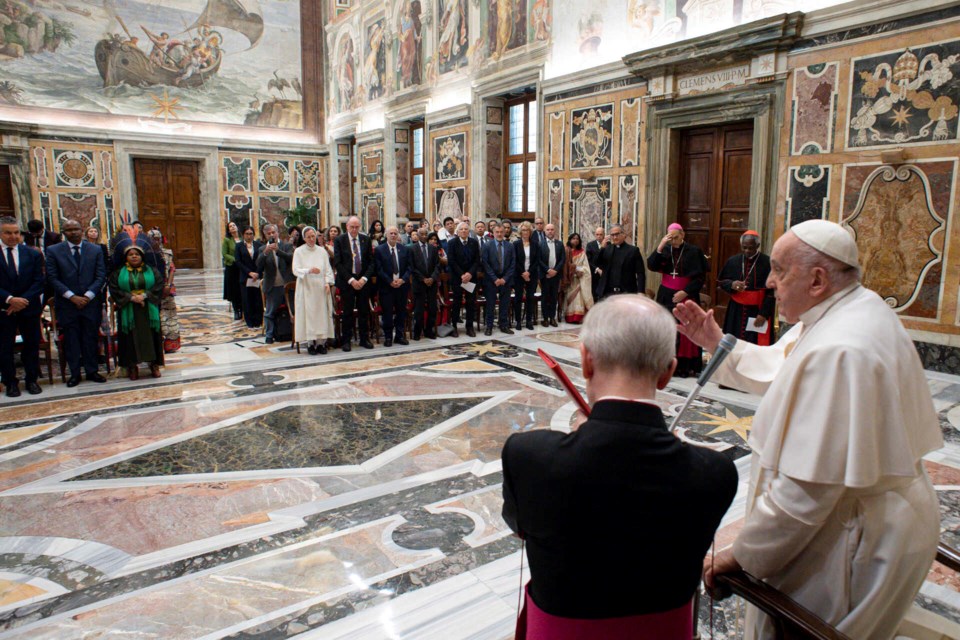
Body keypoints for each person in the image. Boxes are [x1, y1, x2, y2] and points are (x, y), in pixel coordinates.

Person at [675, 220, 943, 640]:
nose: (769, 280)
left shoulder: (841, 346)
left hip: (851, 541)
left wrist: (742, 556)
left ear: (817, 279)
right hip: (868, 523)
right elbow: (784, 367)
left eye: (780, 269)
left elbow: (804, 495)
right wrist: (715, 341)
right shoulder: (848, 311)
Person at [502, 294, 738, 637]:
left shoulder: (529, 456)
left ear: (586, 362)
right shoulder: (715, 473)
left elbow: (519, 524)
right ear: (668, 373)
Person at [46, 219, 107, 387]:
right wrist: (71, 296)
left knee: (90, 337)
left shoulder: (95, 250)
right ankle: (74, 373)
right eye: (69, 230)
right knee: (71, 339)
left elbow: (101, 275)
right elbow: (52, 277)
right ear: (63, 232)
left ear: (82, 230)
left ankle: (92, 370)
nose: (73, 232)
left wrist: (87, 296)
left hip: (90, 303)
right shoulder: (53, 251)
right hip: (67, 304)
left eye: (76, 229)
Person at [647, 223, 708, 378]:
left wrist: (685, 291)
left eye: (675, 237)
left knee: (684, 331)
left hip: (686, 296)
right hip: (665, 296)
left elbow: (701, 278)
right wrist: (660, 246)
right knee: (666, 327)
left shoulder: (694, 251)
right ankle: (665, 363)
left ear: (682, 235)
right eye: (670, 238)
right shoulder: (665, 250)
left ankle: (684, 367)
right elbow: (651, 265)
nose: (673, 241)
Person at [0, 216, 44, 397]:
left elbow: (39, 281)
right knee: (4, 347)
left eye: (16, 232)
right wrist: (10, 299)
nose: (13, 236)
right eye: (8, 233)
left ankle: (32, 380)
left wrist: (22, 301)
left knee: (31, 345)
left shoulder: (32, 253)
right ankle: (10, 382)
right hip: (3, 309)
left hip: (28, 307)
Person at [109, 245, 164, 380]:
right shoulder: (118, 273)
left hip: (148, 308)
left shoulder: (152, 271)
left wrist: (144, 296)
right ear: (126, 257)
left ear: (142, 256)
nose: (134, 256)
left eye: (137, 254)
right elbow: (114, 289)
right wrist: (131, 298)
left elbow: (159, 286)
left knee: (151, 336)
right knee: (130, 338)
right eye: (131, 254)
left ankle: (154, 364)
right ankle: (132, 366)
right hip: (128, 309)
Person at [718, 230, 774, 346]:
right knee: (734, 343)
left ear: (757, 246)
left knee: (754, 344)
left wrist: (764, 313)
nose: (747, 251)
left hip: (757, 310)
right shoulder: (733, 261)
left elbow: (772, 291)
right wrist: (732, 284)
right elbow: (721, 281)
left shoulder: (767, 262)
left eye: (750, 248)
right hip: (736, 310)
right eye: (744, 247)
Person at [333, 216, 375, 351]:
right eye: (352, 227)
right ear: (347, 227)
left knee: (364, 311)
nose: (354, 229)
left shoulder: (365, 239)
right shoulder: (340, 240)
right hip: (347, 282)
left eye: (357, 227)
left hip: (363, 282)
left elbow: (371, 262)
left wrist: (364, 279)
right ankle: (346, 341)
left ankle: (364, 339)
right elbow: (338, 263)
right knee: (347, 313)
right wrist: (351, 280)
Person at [292, 227, 335, 355]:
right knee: (309, 316)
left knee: (321, 315)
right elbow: (295, 269)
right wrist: (309, 270)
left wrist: (327, 282)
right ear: (304, 238)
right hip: (306, 287)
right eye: (309, 237)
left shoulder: (322, 251)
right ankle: (311, 343)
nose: (311, 239)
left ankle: (321, 343)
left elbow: (328, 269)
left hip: (320, 288)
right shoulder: (299, 251)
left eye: (313, 236)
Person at [256, 224, 294, 345]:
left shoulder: (286, 245)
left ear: (278, 233)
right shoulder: (262, 249)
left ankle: (293, 333)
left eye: (274, 232)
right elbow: (258, 264)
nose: (272, 235)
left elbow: (291, 258)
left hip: (287, 285)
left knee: (292, 310)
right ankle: (269, 335)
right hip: (272, 285)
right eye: (269, 233)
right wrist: (266, 252)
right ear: (265, 235)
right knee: (269, 313)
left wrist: (278, 251)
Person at [374, 226, 411, 347]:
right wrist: (390, 281)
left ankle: (399, 336)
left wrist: (403, 280)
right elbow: (379, 269)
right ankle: (388, 337)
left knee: (401, 312)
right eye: (391, 233)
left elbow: (409, 267)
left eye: (395, 233)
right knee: (387, 313)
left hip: (402, 286)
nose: (393, 235)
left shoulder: (404, 249)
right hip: (387, 287)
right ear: (386, 235)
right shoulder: (380, 250)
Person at [147, 229, 180, 353]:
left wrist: (168, 285)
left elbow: (172, 269)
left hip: (167, 287)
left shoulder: (167, 253)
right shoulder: (144, 253)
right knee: (157, 317)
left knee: (170, 316)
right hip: (152, 289)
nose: (156, 241)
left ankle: (170, 343)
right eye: (153, 239)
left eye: (158, 239)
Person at [480, 223, 514, 336]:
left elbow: (513, 264)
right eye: (497, 232)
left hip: (506, 280)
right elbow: (485, 263)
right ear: (493, 233)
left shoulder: (510, 246)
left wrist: (504, 278)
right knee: (490, 304)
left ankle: (503, 325)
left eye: (501, 232)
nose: (499, 234)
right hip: (491, 280)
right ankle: (489, 326)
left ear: (504, 233)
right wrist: (495, 278)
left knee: (505, 304)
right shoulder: (487, 245)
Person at [447, 222, 479, 338]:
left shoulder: (474, 243)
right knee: (456, 302)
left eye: (466, 229)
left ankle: (469, 327)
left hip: (471, 277)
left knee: (471, 302)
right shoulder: (452, 243)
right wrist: (462, 275)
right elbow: (451, 261)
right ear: (458, 231)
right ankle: (454, 326)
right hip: (457, 278)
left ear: (469, 231)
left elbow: (477, 260)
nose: (464, 231)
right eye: (462, 229)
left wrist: (469, 273)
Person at [596, 225, 645, 300]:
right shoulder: (607, 249)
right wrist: (602, 248)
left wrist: (640, 291)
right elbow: (597, 263)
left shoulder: (633, 250)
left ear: (623, 234)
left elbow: (640, 272)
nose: (615, 237)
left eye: (617, 234)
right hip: (607, 293)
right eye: (612, 235)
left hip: (626, 292)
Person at [411, 227, 440, 340]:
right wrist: (423, 279)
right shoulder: (412, 249)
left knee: (432, 308)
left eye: (425, 234)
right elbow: (412, 267)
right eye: (421, 234)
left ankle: (429, 330)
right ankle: (417, 331)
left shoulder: (433, 248)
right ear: (417, 235)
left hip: (432, 283)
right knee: (419, 309)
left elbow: (437, 265)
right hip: (419, 283)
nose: (424, 236)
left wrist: (432, 278)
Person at [511, 221, 540, 331]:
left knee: (530, 298)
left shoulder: (535, 244)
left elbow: (536, 260)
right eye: (523, 230)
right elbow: (515, 260)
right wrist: (523, 273)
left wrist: (529, 273)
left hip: (532, 275)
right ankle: (518, 321)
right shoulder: (516, 244)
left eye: (527, 230)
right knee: (518, 298)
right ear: (520, 232)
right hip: (519, 275)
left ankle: (529, 321)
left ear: (530, 231)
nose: (525, 232)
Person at [561, 232, 593, 324]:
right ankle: (570, 317)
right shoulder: (566, 250)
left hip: (579, 279)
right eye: (573, 238)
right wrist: (572, 271)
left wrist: (579, 270)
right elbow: (564, 265)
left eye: (577, 239)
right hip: (569, 279)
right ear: (570, 240)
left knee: (579, 298)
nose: (575, 240)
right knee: (570, 297)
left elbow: (586, 266)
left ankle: (578, 317)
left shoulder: (582, 252)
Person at [235, 226, 263, 328]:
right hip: (245, 277)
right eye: (247, 233)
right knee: (247, 300)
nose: (249, 236)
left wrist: (257, 273)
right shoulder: (239, 246)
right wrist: (249, 273)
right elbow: (238, 262)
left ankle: (258, 321)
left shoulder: (258, 245)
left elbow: (261, 261)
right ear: (243, 235)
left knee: (257, 299)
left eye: (251, 233)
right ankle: (250, 322)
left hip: (256, 276)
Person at [538, 223, 565, 327]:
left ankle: (552, 318)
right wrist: (548, 270)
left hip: (556, 275)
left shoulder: (559, 244)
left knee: (554, 297)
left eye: (552, 229)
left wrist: (555, 271)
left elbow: (562, 259)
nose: (550, 231)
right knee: (545, 297)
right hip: (545, 276)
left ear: (555, 231)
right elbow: (539, 260)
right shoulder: (540, 244)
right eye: (548, 229)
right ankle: (545, 318)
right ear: (545, 231)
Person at [222, 221, 243, 320]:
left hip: (242, 267)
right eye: (230, 226)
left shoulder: (242, 239)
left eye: (234, 225)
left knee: (242, 288)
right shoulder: (227, 240)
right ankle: (236, 310)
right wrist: (235, 259)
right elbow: (225, 254)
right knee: (234, 289)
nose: (233, 227)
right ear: (228, 230)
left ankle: (243, 309)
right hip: (232, 267)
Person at [585, 226, 605, 301]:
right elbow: (589, 260)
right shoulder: (590, 245)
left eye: (601, 234)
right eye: (597, 234)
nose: (599, 236)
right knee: (594, 294)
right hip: (594, 273)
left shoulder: (609, 244)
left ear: (604, 235)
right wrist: (597, 269)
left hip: (605, 274)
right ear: (595, 235)